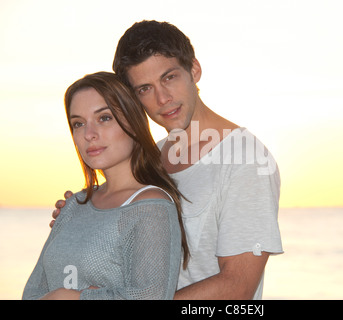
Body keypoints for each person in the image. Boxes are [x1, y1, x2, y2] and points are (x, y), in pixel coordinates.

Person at [53, 20, 283, 300]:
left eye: (169, 77)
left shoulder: (247, 160)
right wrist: (82, 221)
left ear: (194, 70)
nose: (163, 98)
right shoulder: (148, 157)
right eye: (144, 89)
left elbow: (237, 286)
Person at [23, 72, 188, 300]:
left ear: (133, 121)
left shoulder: (150, 207)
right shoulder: (73, 205)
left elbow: (150, 297)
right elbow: (32, 292)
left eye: (104, 118)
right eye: (78, 124)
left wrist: (71, 297)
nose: (89, 134)